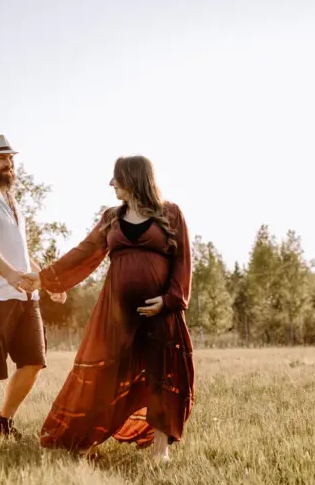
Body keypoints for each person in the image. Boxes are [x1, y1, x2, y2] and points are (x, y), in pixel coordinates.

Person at [27, 155, 194, 461]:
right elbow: (84, 252)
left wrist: (168, 301)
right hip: (117, 314)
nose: (111, 184)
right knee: (106, 376)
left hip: (160, 312)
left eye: (116, 177)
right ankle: (85, 441)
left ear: (133, 178)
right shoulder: (111, 218)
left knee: (161, 375)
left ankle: (160, 451)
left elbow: (183, 263)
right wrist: (44, 278)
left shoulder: (170, 213)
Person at [0, 134, 66, 438]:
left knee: (34, 361)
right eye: (2, 159)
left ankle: (3, 421)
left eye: (12, 159)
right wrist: (9, 275)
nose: (9, 164)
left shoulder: (12, 202)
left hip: (24, 297)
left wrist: (46, 280)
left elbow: (22, 254)